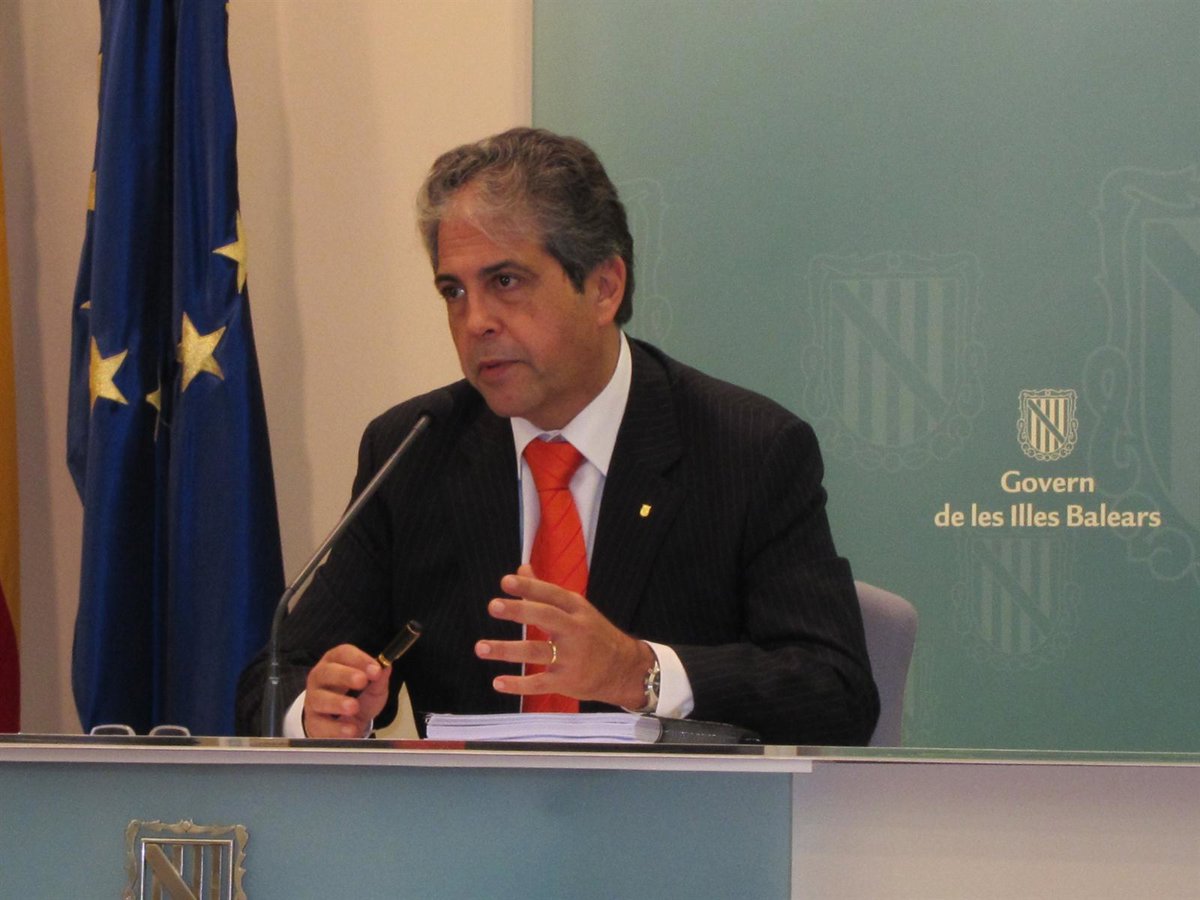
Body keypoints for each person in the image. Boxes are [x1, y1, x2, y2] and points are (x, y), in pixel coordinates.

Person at [235, 128, 879, 745]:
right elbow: (272, 680)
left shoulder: (747, 449)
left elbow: (837, 694)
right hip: (468, 817)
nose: (475, 321)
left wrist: (640, 672)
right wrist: (315, 710)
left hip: (673, 815)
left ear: (603, 288)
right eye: (453, 291)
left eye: (505, 282)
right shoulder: (413, 450)